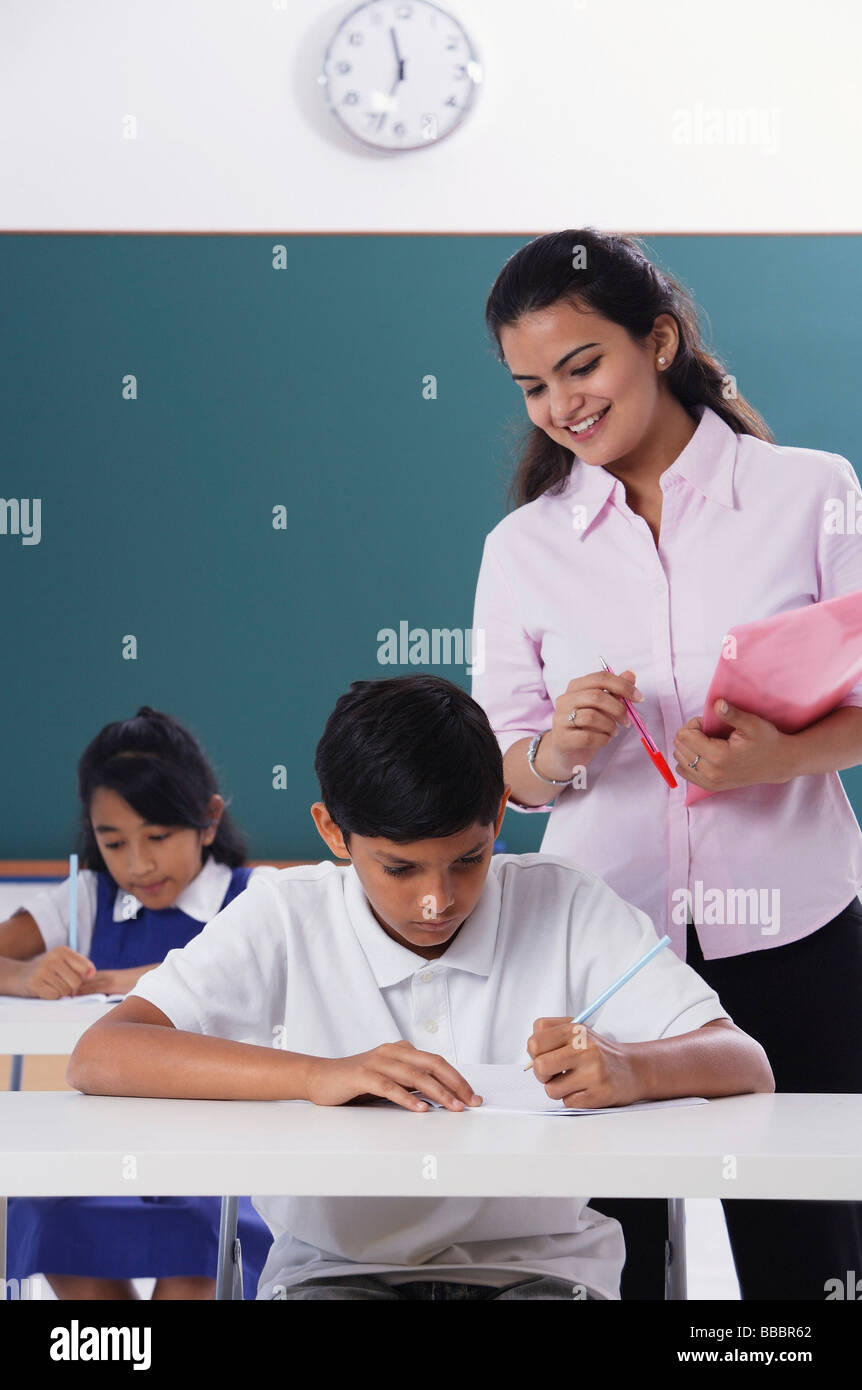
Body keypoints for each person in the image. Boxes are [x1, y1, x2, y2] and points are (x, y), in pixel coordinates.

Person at [67, 675, 773, 1301]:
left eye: (467, 861)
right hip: (334, 1273)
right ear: (333, 833)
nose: (437, 901)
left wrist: (630, 1067)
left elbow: (744, 1060)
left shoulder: (567, 904)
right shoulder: (284, 913)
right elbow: (102, 1054)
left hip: (542, 1272)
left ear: (499, 816)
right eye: (400, 870)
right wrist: (320, 1075)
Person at [470, 226, 862, 1299]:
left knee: (810, 1261)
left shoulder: (810, 491)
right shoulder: (524, 547)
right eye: (532, 384)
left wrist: (776, 757)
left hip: (799, 937)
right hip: (604, 950)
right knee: (609, 1262)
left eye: (581, 364)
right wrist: (554, 751)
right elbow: (503, 770)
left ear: (660, 340)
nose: (561, 404)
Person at [0, 705, 277, 1300]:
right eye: (113, 842)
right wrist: (23, 976)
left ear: (207, 819)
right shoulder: (86, 898)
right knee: (46, 1209)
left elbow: (270, 983)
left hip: (220, 1150)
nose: (138, 864)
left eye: (157, 837)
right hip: (99, 1142)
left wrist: (140, 979)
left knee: (202, 1242)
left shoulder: (255, 898)